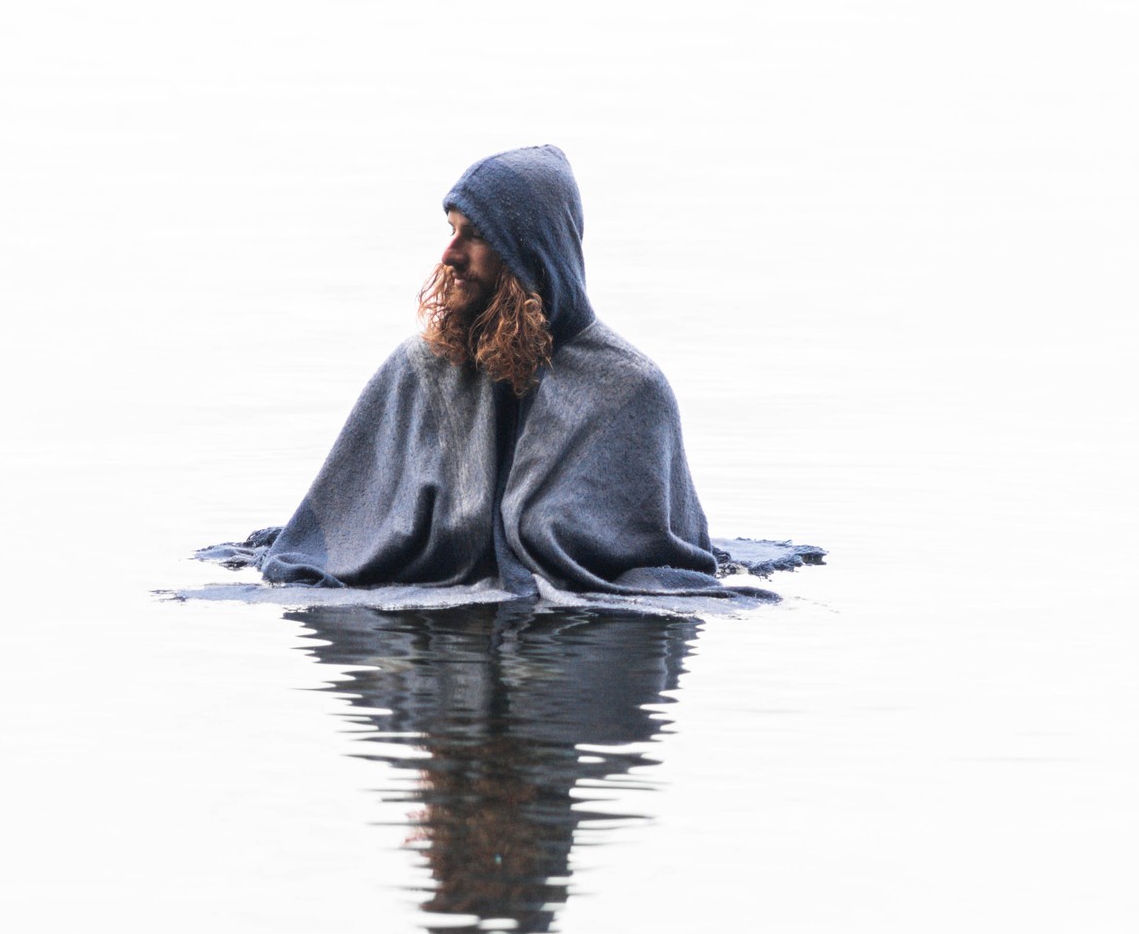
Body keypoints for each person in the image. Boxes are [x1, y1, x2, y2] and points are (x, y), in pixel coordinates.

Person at [214, 146, 810, 601]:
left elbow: (664, 549)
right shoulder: (420, 367)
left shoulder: (632, 391)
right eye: (451, 233)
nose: (449, 255)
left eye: (474, 238)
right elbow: (335, 526)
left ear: (531, 252)